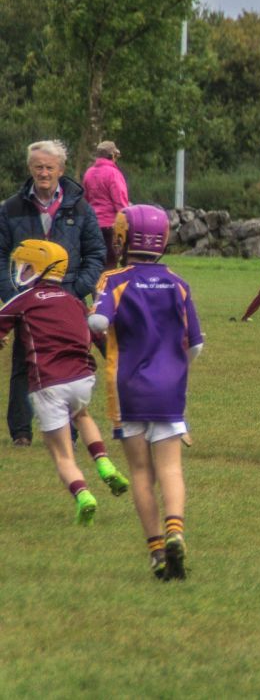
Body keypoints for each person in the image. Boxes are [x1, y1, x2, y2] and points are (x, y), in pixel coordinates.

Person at [89, 205, 203, 580]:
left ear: (122, 238)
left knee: (141, 471)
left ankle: (156, 551)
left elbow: (99, 322)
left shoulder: (113, 279)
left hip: (128, 389)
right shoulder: (179, 282)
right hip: (170, 389)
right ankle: (176, 530)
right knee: (170, 467)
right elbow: (196, 346)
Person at [0, 240, 128, 525]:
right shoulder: (74, 301)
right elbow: (98, 337)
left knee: (62, 456)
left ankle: (84, 495)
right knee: (82, 416)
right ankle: (104, 463)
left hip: (47, 383)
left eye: (26, 266)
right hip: (83, 377)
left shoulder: (24, 300)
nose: (21, 271)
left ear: (40, 270)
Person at [0, 140, 106, 447]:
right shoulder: (10, 209)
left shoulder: (80, 207)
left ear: (61, 169)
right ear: (30, 169)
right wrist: (12, 295)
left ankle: (70, 433)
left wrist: (76, 292)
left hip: (69, 298)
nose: (43, 173)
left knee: (70, 361)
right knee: (23, 361)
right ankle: (21, 432)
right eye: (38, 167)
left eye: (49, 167)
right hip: (25, 298)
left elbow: (96, 253)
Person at [81, 140, 130, 270]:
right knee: (111, 263)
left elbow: (84, 200)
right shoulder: (114, 173)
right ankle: (108, 289)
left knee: (96, 263)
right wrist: (127, 220)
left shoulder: (88, 173)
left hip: (93, 226)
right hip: (111, 225)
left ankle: (96, 288)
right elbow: (120, 201)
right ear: (113, 156)